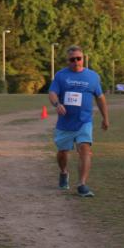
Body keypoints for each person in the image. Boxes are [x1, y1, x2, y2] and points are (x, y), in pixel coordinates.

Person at [48, 45, 109, 198]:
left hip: (84, 121)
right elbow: (52, 93)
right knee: (62, 152)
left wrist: (105, 118)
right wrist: (57, 104)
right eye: (72, 59)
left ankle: (82, 184)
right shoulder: (61, 75)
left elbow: (100, 98)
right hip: (65, 122)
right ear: (68, 61)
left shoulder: (93, 76)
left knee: (85, 149)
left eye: (78, 58)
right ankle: (63, 172)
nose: (76, 61)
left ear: (83, 58)